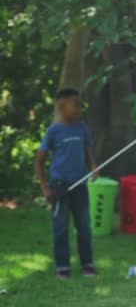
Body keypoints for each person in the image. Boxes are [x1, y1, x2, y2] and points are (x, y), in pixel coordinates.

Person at [35, 88, 98, 279]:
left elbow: (87, 153)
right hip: (59, 186)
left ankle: (87, 264)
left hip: (79, 185)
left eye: (80, 105)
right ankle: (62, 267)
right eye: (75, 105)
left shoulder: (82, 128)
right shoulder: (53, 131)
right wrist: (45, 187)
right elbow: (39, 160)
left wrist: (93, 167)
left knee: (84, 227)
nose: (79, 108)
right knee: (60, 228)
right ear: (62, 106)